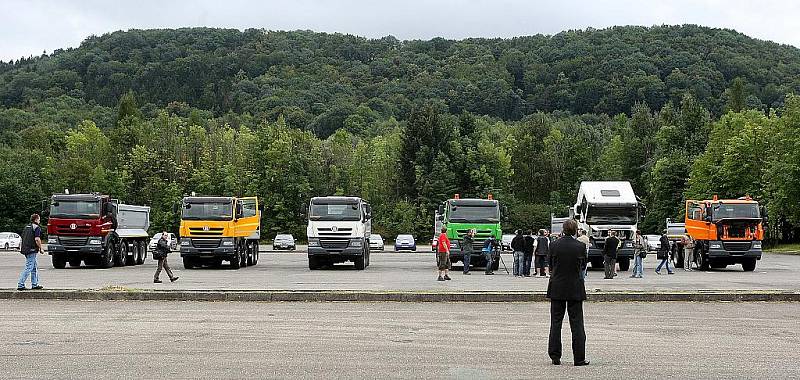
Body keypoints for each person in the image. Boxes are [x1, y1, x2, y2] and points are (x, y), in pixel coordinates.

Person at [547, 219, 589, 367]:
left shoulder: (553, 245)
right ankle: (579, 358)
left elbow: (550, 265)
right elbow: (583, 265)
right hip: (575, 287)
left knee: (556, 322)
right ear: (576, 230)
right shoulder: (580, 246)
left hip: (557, 286)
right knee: (577, 323)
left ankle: (555, 356)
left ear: (563, 230)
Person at [17, 214, 45, 291]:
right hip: (31, 250)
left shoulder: (27, 227)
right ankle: (20, 284)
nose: (39, 221)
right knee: (29, 267)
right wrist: (40, 248)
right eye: (39, 219)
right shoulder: (36, 228)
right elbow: (37, 239)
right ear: (36, 220)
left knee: (34, 267)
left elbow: (23, 238)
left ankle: (34, 284)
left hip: (25, 249)